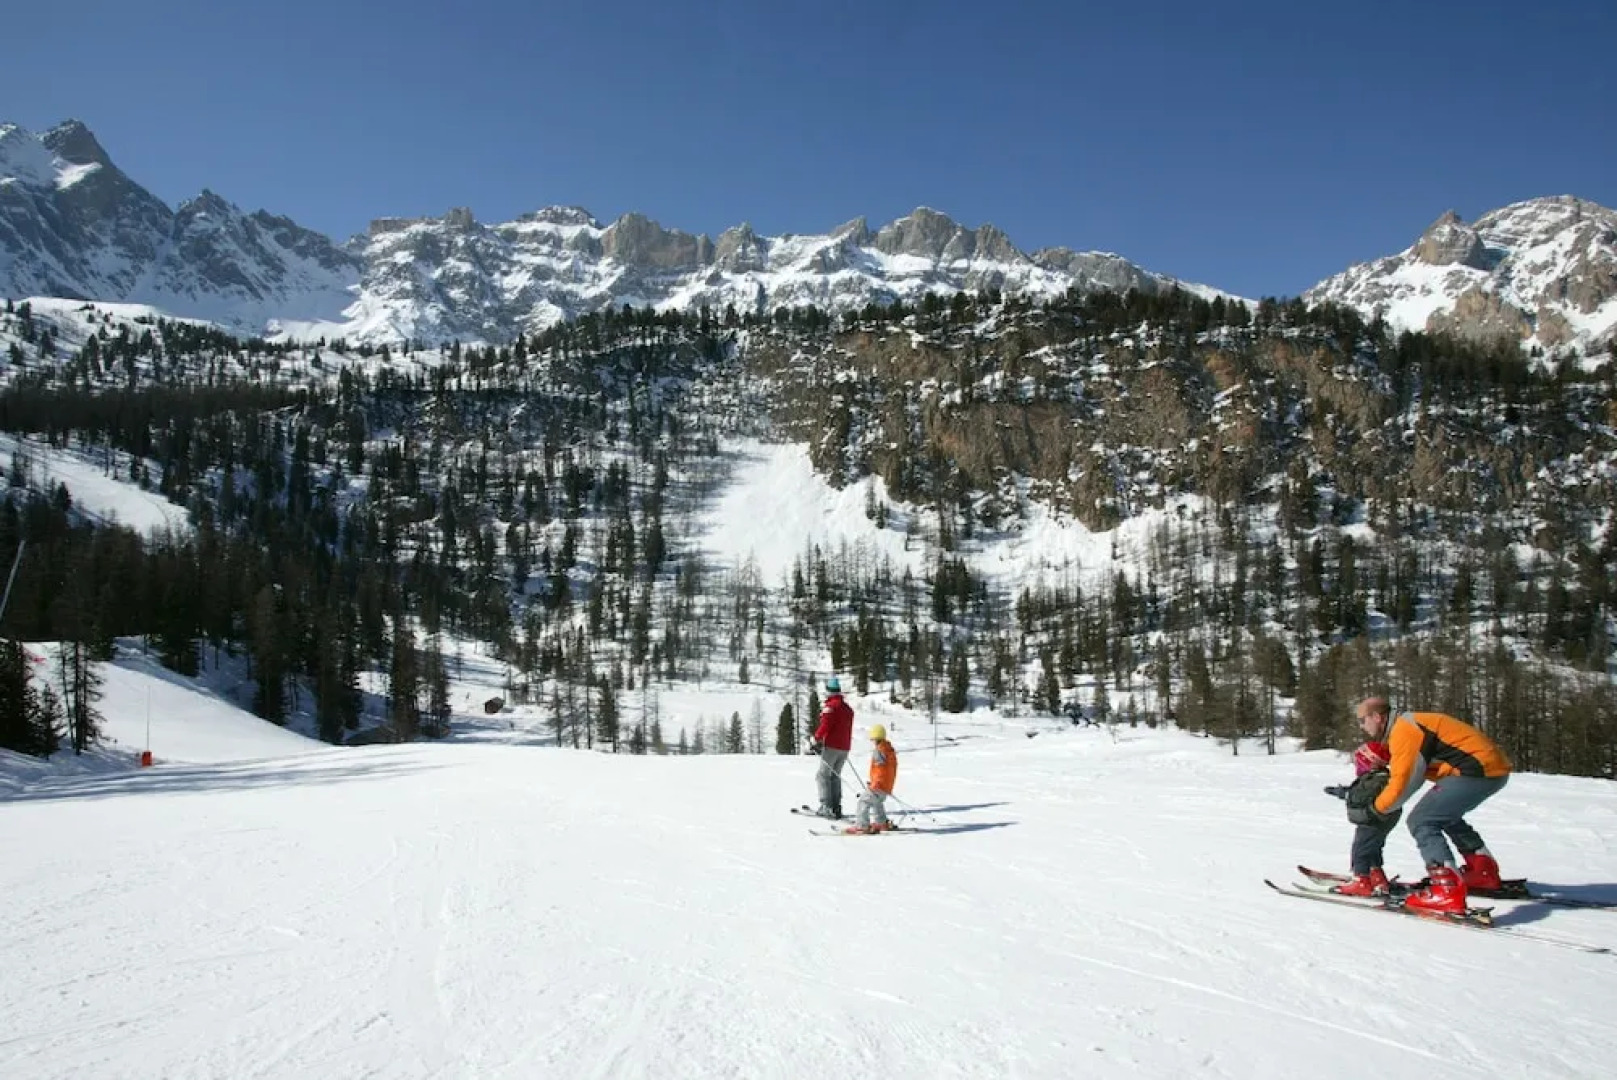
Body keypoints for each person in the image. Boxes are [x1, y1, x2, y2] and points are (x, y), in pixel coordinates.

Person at [1351, 696, 1512, 914]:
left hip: (1477, 770)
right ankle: (1481, 871)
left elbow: (1404, 782)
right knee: (1443, 815)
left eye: (1362, 720)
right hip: (1488, 768)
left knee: (1422, 820)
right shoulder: (1406, 726)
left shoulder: (1404, 730)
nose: (1361, 726)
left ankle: (1446, 889)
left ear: (1377, 717)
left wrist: (1375, 809)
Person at [1329, 739, 1397, 897]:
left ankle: (1361, 881)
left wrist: (1344, 793)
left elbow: (1360, 796)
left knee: (1361, 849)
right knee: (1372, 848)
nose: (1357, 766)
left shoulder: (1375, 780)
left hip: (1372, 819)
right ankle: (1377, 876)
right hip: (1382, 819)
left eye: (1359, 762)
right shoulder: (1381, 777)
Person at [810, 676, 854, 818]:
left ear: (829, 691)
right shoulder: (847, 709)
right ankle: (836, 806)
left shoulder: (831, 708)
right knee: (835, 776)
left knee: (823, 776)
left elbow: (825, 725)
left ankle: (826, 806)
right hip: (845, 747)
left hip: (832, 746)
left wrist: (815, 738)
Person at [846, 724, 898, 835]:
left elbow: (880, 769)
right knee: (876, 801)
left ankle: (862, 826)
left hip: (879, 785)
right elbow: (888, 770)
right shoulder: (889, 750)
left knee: (863, 801)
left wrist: (876, 783)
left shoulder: (879, 751)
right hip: (886, 785)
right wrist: (876, 781)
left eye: (872, 739)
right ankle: (881, 822)